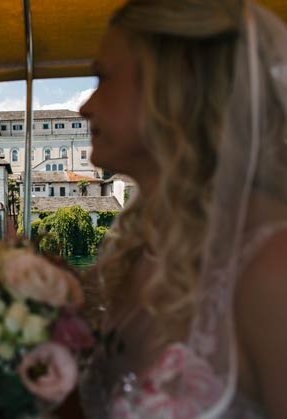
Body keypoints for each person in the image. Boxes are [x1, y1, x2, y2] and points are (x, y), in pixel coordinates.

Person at [78, 0, 287, 417]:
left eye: (103, 77)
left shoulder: (272, 269)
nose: (85, 107)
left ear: (173, 82)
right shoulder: (128, 256)